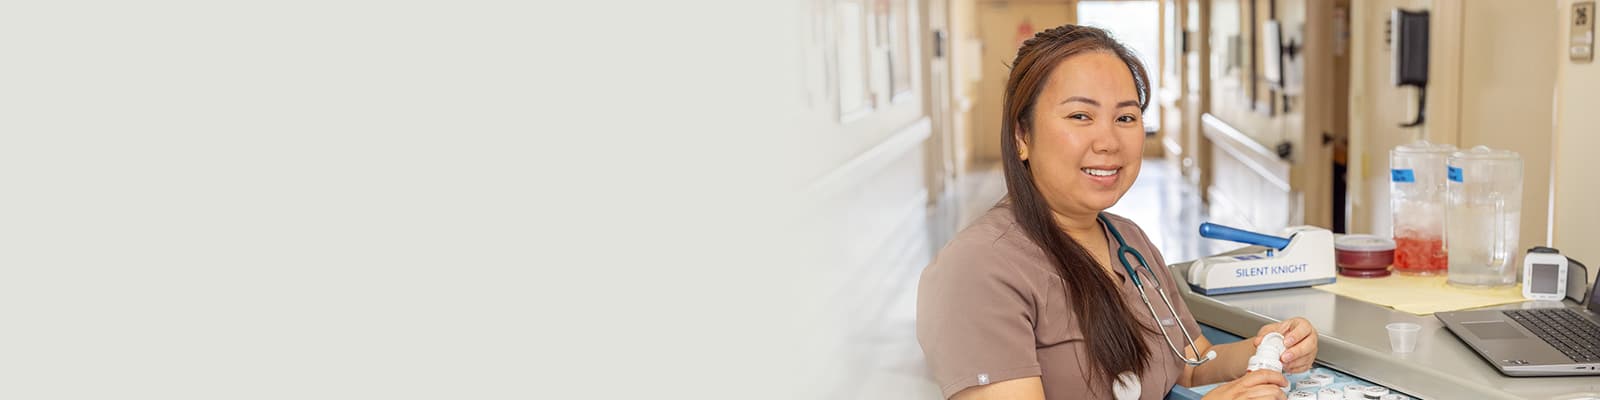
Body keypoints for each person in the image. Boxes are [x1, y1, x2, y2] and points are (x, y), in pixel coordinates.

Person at [916, 24, 1319, 400]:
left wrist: (1268, 349)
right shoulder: (977, 269)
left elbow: (1190, 365)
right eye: (1080, 116)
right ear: (1022, 135)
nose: (1108, 141)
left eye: (1126, 117)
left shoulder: (1128, 240)